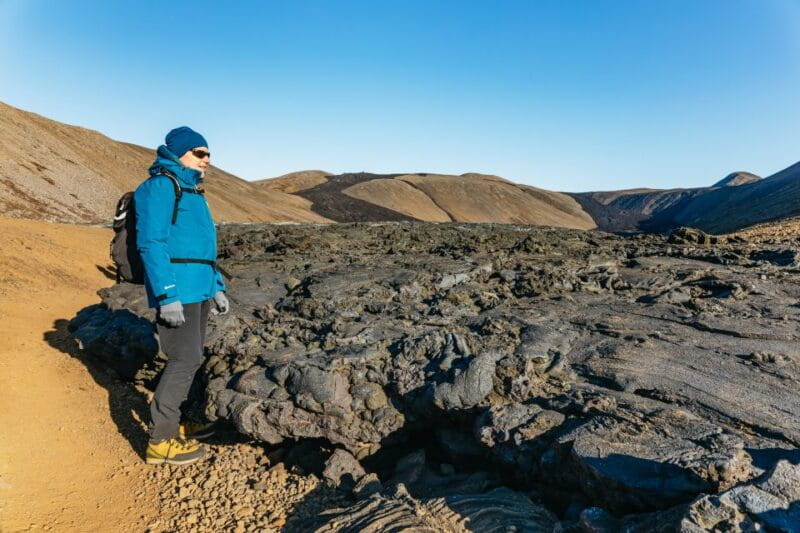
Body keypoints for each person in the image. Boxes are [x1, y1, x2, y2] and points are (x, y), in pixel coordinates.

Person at [135, 126, 230, 465]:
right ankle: (161, 440)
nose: (208, 159)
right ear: (180, 153)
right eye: (200, 153)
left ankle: (180, 420)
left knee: (192, 357)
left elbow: (202, 249)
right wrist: (166, 295)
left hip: (199, 288)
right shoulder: (161, 186)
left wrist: (216, 286)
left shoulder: (192, 190)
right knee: (184, 359)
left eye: (209, 154)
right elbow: (151, 243)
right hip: (178, 290)